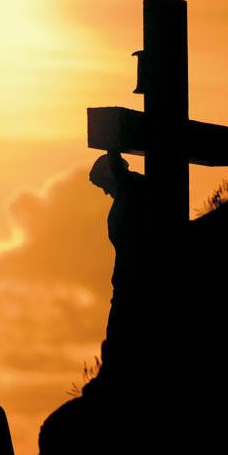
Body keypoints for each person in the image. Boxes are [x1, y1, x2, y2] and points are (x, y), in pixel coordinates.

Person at [89, 151, 146, 361]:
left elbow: (115, 164)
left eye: (103, 184)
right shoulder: (125, 194)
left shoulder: (132, 188)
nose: (104, 191)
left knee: (121, 346)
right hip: (124, 282)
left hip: (136, 281)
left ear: (111, 174)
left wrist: (109, 131)